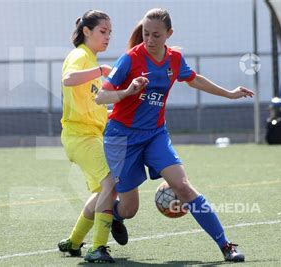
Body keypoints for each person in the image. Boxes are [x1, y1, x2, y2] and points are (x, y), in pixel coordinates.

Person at [95, 8, 253, 263]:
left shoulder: (175, 59)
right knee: (129, 208)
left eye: (156, 35)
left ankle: (226, 245)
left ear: (169, 34)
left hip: (155, 134)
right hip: (122, 137)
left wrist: (230, 93)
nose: (149, 40)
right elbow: (100, 96)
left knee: (183, 186)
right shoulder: (130, 59)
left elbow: (195, 80)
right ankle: (116, 215)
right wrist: (128, 91)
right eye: (146, 34)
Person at [57, 10, 127, 264]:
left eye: (110, 32)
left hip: (91, 136)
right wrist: (100, 70)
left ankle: (73, 241)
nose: (107, 37)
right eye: (102, 31)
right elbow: (68, 79)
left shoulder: (91, 60)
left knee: (103, 191)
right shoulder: (80, 56)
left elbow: (92, 105)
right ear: (86, 32)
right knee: (111, 183)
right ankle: (98, 247)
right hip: (80, 136)